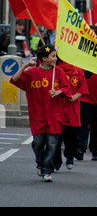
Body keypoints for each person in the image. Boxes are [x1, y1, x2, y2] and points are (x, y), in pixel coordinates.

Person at [10, 44, 72, 182]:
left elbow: (66, 88)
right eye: (53, 56)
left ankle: (46, 170)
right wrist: (26, 65)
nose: (56, 59)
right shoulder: (32, 73)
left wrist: (58, 92)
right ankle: (40, 162)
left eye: (55, 56)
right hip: (37, 115)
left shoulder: (59, 72)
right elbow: (14, 79)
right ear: (44, 58)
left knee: (51, 144)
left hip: (54, 114)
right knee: (37, 143)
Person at [76, 24, 97, 161]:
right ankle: (80, 148)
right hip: (84, 95)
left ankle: (96, 150)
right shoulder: (80, 50)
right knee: (83, 123)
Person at [54, 59, 89, 171]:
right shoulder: (55, 70)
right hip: (57, 108)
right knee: (56, 139)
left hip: (72, 111)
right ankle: (55, 162)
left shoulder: (77, 70)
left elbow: (82, 88)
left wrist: (74, 97)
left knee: (73, 138)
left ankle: (70, 156)